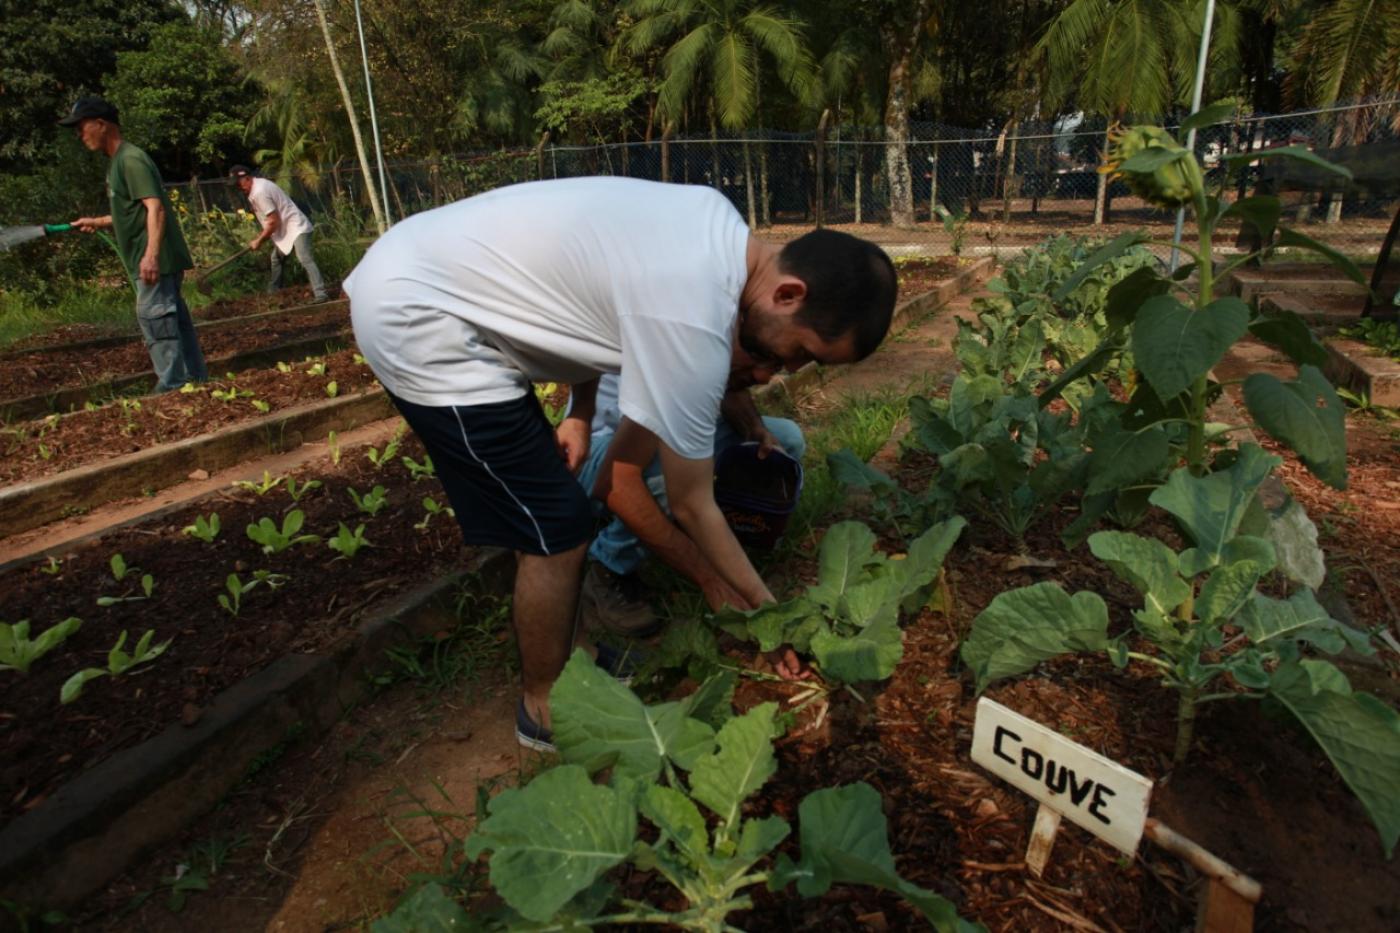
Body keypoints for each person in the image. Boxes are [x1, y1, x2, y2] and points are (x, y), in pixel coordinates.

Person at [345, 177, 896, 749]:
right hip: (421, 318)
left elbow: (586, 298)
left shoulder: (714, 229)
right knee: (555, 530)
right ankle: (544, 706)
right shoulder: (695, 315)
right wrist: (767, 615)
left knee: (556, 516)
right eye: (803, 351)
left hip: (428, 277)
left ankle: (574, 658)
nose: (786, 368)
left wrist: (581, 409)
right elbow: (691, 503)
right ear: (788, 293)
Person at [573, 372, 806, 636]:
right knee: (677, 475)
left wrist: (754, 428)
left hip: (668, 431)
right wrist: (712, 580)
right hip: (598, 447)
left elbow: (727, 381)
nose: (764, 373)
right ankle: (610, 565)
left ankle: (722, 535)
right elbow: (625, 473)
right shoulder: (669, 342)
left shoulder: (714, 338)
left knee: (786, 440)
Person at [61, 97, 207, 392]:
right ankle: (194, 382)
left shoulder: (130, 159)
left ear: (101, 124)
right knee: (174, 322)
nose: (79, 134)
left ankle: (172, 389)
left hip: (155, 261)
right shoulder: (118, 162)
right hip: (154, 259)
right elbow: (131, 212)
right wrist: (97, 221)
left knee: (156, 322)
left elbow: (156, 208)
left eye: (81, 126)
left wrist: (151, 255)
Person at [228, 165, 330, 302]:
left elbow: (274, 221)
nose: (238, 188)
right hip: (286, 229)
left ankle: (321, 294)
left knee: (304, 258)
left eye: (239, 183)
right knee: (276, 258)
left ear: (246, 178)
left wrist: (259, 240)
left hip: (296, 227)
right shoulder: (256, 188)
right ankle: (274, 292)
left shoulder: (259, 191)